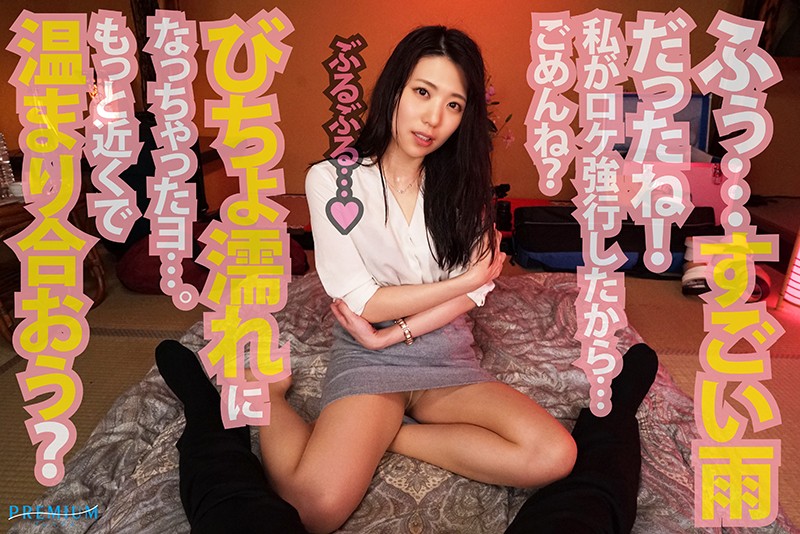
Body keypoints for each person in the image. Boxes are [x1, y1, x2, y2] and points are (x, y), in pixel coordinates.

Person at [155, 25, 660, 534]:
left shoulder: (462, 185)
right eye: (422, 92)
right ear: (393, 89)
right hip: (367, 354)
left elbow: (475, 292)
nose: (434, 118)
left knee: (554, 454)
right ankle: (269, 396)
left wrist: (399, 331)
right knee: (313, 510)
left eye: (454, 104)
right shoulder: (331, 180)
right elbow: (362, 301)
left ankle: (390, 434)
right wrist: (456, 285)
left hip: (444, 352)